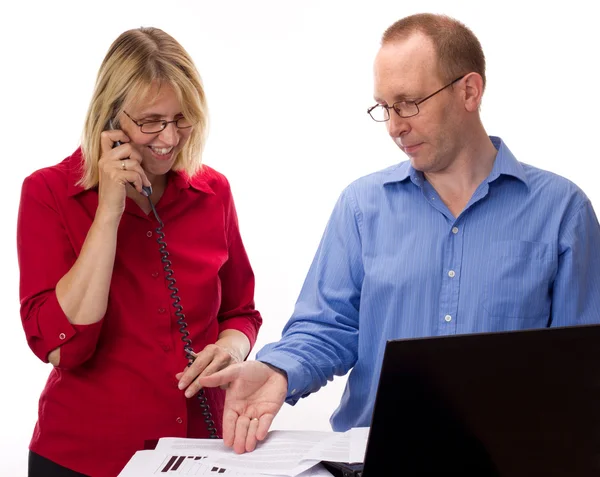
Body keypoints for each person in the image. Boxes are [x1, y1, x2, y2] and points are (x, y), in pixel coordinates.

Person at [197, 13, 600, 454]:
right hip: (377, 457)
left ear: (469, 91)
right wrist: (278, 370)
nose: (394, 126)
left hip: (511, 461)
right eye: (384, 107)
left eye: (409, 103)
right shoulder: (361, 207)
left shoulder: (561, 211)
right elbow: (327, 327)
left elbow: (580, 369)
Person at [17, 27, 262, 477]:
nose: (169, 138)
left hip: (200, 456)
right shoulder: (48, 192)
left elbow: (241, 312)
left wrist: (231, 349)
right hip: (83, 460)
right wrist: (108, 213)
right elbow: (59, 347)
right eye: (151, 121)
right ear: (111, 119)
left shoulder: (214, 192)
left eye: (181, 118)